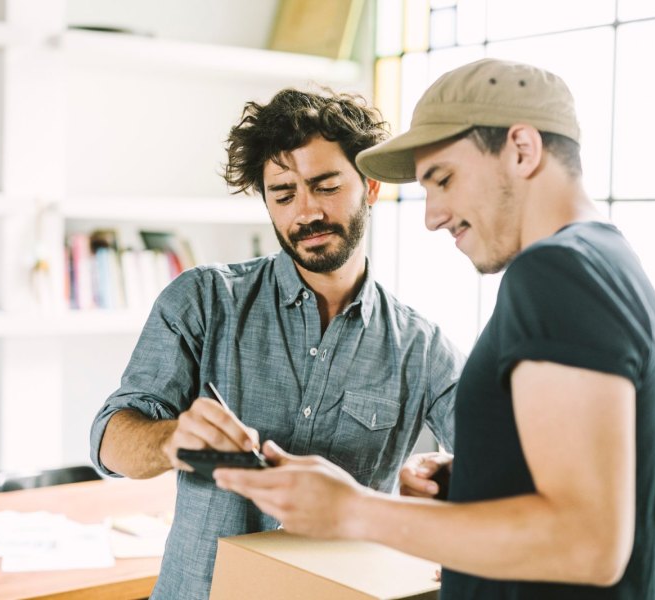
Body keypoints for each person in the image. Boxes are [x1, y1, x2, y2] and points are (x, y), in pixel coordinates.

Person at [215, 58, 655, 599]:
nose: (432, 215)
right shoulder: (608, 259)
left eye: (443, 179)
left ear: (522, 150)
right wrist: (484, 479)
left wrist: (353, 510)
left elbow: (585, 544)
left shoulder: (556, 274)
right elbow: (588, 488)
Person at [89, 88, 465, 599]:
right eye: (284, 195)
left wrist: (448, 489)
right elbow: (110, 441)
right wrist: (169, 439)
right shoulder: (204, 300)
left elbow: (501, 467)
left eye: (325, 186)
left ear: (371, 186)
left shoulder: (421, 346)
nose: (305, 213)